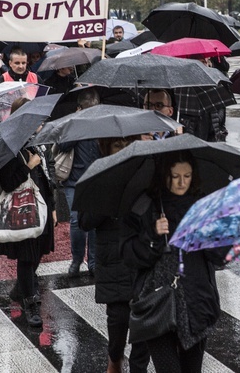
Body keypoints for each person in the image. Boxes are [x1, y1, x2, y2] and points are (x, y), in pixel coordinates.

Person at [121, 152, 224, 372]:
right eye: (175, 176)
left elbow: (221, 256)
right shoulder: (145, 206)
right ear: (163, 175)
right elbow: (129, 255)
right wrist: (153, 235)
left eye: (186, 176)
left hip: (196, 301)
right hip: (157, 301)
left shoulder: (204, 206)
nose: (181, 182)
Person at [79, 135, 150, 373]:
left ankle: (137, 367)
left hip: (140, 256)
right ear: (106, 146)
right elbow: (85, 221)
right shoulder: (97, 174)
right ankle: (115, 358)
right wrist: (110, 196)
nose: (124, 149)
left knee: (144, 321)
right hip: (113, 257)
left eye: (128, 143)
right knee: (118, 320)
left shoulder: (145, 170)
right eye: (118, 144)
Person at [0, 97, 56, 328]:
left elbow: (47, 177)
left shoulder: (38, 143)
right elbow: (7, 183)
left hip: (41, 205)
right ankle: (31, 303)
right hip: (24, 209)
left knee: (39, 252)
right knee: (27, 257)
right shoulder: (10, 146)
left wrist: (52, 208)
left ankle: (21, 287)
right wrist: (28, 166)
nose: (40, 122)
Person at [58, 88, 101, 278]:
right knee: (76, 220)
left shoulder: (103, 124)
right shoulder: (72, 125)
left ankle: (93, 261)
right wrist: (76, 126)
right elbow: (61, 146)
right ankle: (77, 259)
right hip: (74, 181)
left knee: (92, 222)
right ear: (79, 108)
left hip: (95, 180)